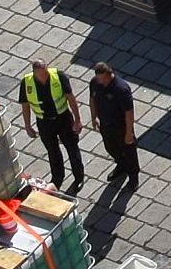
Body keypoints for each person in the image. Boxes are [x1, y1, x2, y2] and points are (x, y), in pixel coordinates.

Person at [20, 59, 85, 189]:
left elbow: (70, 98)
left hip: (63, 119)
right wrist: (27, 125)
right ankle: (57, 179)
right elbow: (25, 105)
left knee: (72, 148)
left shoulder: (59, 76)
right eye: (40, 75)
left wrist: (77, 120)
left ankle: (79, 177)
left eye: (45, 73)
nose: (44, 76)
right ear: (34, 73)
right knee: (52, 151)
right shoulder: (26, 82)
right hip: (44, 122)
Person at [89, 62, 141, 194]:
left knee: (129, 151)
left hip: (121, 126)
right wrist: (93, 117)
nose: (101, 81)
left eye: (103, 78)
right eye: (99, 78)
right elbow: (92, 99)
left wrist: (129, 133)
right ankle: (121, 165)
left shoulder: (121, 89)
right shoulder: (95, 83)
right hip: (105, 124)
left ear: (109, 74)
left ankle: (133, 177)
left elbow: (129, 112)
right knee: (110, 147)